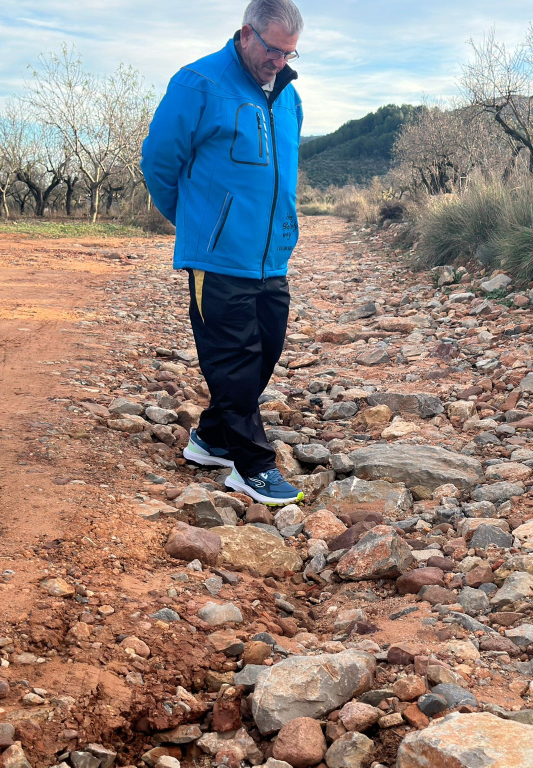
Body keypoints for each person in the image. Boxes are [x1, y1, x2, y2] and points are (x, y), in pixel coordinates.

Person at [140, 0, 305, 506]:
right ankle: (251, 467)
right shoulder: (199, 83)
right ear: (245, 34)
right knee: (233, 358)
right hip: (218, 256)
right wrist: (199, 226)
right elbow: (159, 164)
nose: (279, 62)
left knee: (266, 349)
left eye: (290, 53)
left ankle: (211, 438)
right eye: (273, 50)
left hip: (270, 257)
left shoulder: (287, 96)